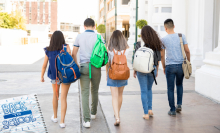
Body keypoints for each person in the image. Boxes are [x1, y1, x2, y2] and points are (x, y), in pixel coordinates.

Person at [72, 18, 104, 128]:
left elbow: (74, 53)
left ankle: (86, 120)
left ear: (84, 26)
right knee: (94, 90)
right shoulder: (99, 37)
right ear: (94, 26)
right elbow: (104, 51)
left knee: (84, 92)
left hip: (83, 66)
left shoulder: (79, 36)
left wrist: (77, 64)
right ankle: (93, 113)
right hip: (96, 66)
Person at [41, 31, 72, 128]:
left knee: (55, 95)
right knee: (63, 97)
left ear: (52, 39)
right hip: (66, 75)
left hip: (54, 76)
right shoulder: (66, 47)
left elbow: (44, 65)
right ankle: (62, 122)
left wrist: (41, 76)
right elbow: (71, 60)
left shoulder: (49, 49)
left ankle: (55, 117)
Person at [133, 25, 165, 120]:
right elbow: (158, 58)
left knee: (143, 90)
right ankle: (150, 109)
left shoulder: (138, 44)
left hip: (141, 69)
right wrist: (157, 69)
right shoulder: (156, 43)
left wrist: (134, 70)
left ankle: (145, 113)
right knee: (149, 89)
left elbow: (135, 58)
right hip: (152, 69)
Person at [161, 19, 191, 116]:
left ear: (165, 28)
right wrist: (188, 62)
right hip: (181, 66)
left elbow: (162, 55)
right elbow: (187, 51)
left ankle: (172, 110)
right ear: (174, 26)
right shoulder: (181, 36)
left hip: (170, 66)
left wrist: (164, 67)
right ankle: (179, 104)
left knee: (170, 88)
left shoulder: (163, 39)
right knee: (179, 85)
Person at [106, 30, 130, 126]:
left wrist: (106, 75)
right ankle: (117, 113)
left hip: (112, 73)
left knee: (114, 96)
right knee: (120, 95)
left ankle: (117, 117)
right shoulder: (127, 49)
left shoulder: (110, 49)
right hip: (123, 73)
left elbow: (108, 63)